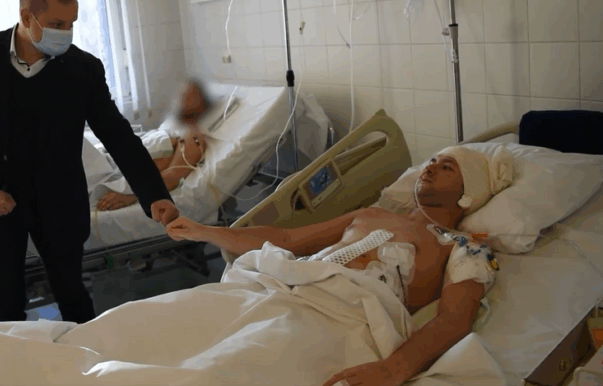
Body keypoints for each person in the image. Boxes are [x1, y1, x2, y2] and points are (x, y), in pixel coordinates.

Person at [0, 0, 180, 324]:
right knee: (6, 306)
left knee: (73, 296)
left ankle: (86, 356)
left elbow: (118, 136)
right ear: (26, 17)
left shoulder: (83, 69)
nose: (66, 33)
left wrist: (154, 194)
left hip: (58, 201)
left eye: (71, 23)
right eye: (57, 24)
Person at [166, 145, 514, 386]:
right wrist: (205, 231)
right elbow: (285, 239)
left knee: (221, 368)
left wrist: (394, 368)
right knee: (179, 326)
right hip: (285, 288)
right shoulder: (371, 214)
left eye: (447, 167)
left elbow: (454, 319)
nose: (430, 167)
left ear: (468, 193)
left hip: (342, 317)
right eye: (432, 160)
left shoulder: (464, 248)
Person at [96, 78, 211, 211]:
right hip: (110, 161)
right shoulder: (173, 127)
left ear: (201, 103)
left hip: (116, 174)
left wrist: (132, 196)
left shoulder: (193, 135)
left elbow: (173, 173)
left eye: (189, 96)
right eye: (182, 94)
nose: (181, 98)